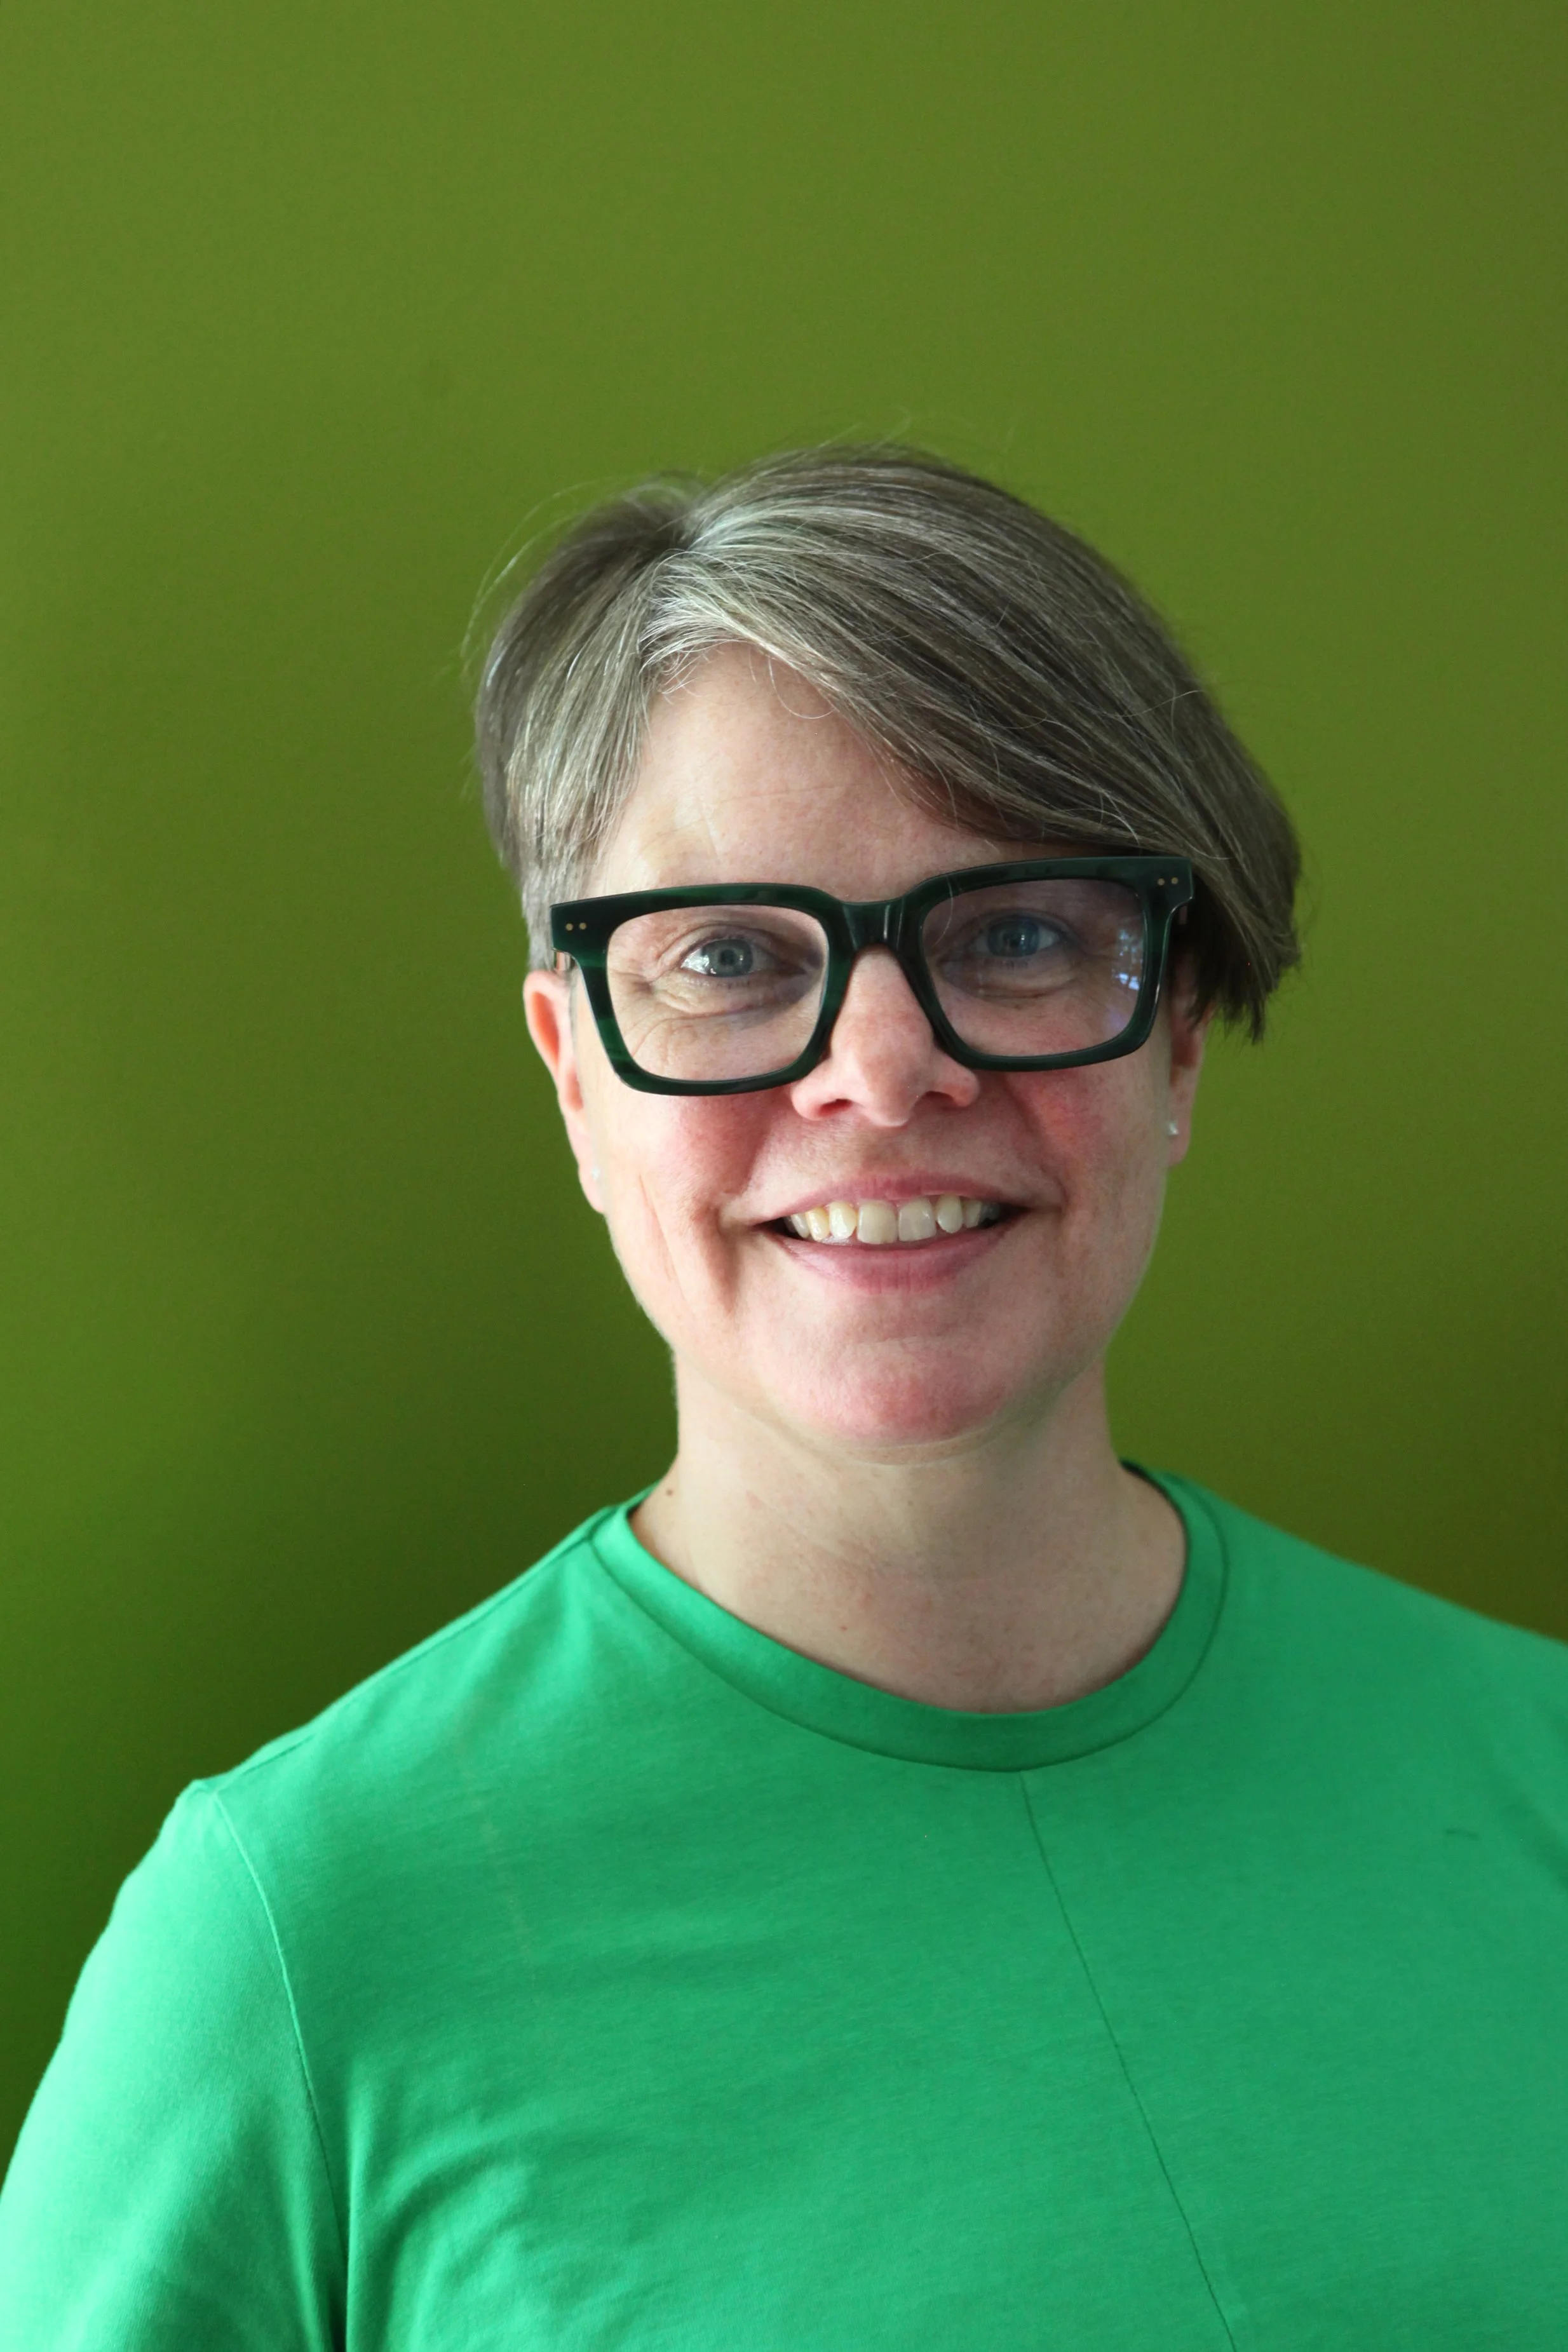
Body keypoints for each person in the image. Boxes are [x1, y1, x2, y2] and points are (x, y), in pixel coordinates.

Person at [1, 447, 1564, 2346]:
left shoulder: (1534, 1773)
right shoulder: (298, 1943)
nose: (885, 1072)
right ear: (578, 1078)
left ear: (1174, 1037)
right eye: (733, 959)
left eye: (1012, 933)